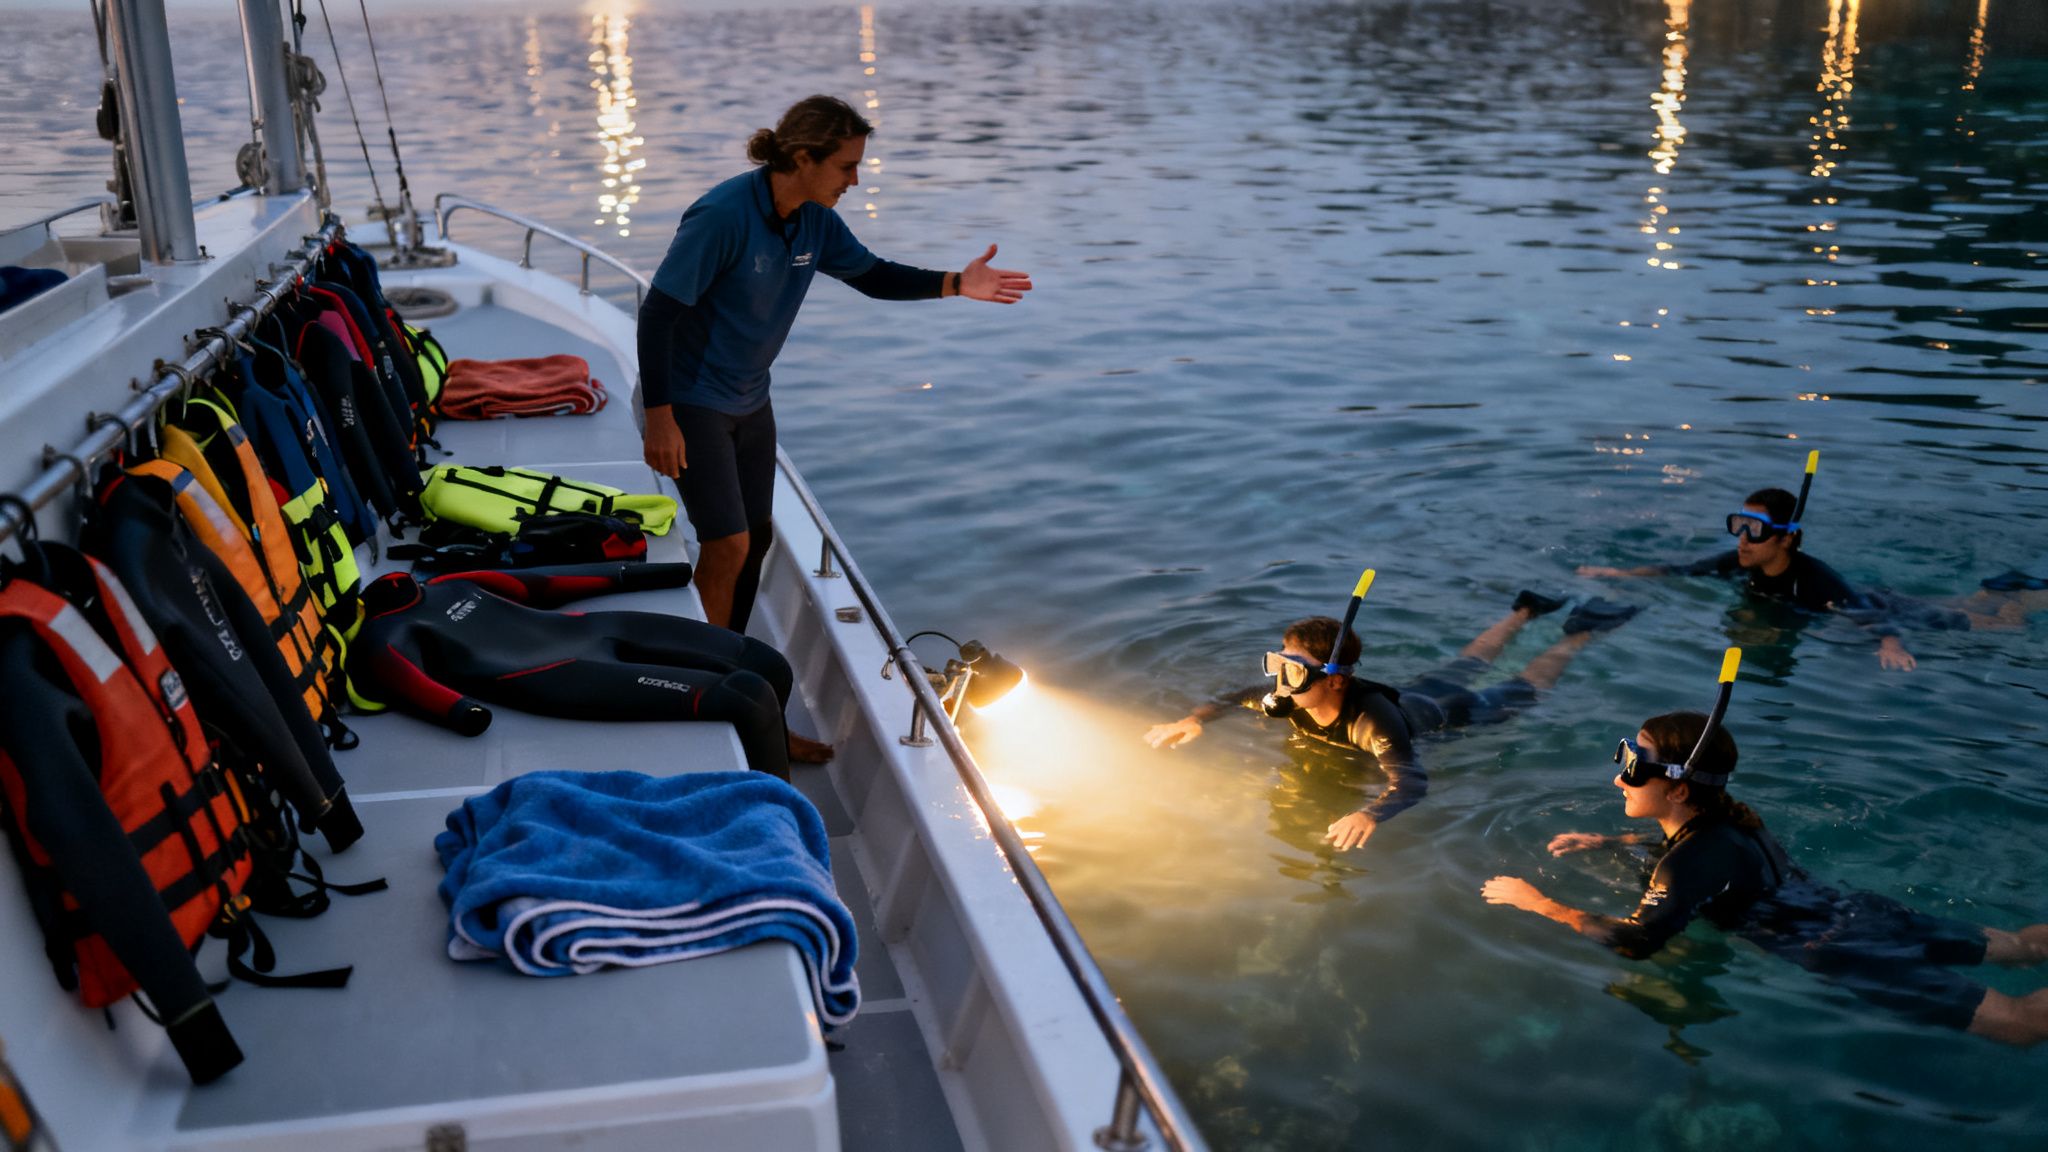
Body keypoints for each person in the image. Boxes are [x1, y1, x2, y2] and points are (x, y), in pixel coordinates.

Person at [638, 95, 1031, 639]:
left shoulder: (816, 222)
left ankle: (731, 668)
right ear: (802, 157)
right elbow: (657, 314)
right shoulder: (722, 216)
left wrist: (956, 284)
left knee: (757, 538)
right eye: (846, 166)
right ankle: (697, 676)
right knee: (727, 543)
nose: (855, 179)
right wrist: (660, 417)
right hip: (690, 399)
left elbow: (872, 275)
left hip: (751, 398)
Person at [1482, 711, 2048, 1046]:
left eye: (1633, 767)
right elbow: (1703, 856)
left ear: (1678, 789)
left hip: (1842, 950)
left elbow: (1635, 942)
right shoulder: (1730, 817)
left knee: (2019, 1024)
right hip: (1861, 913)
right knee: (2022, 946)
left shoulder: (1689, 860)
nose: (1619, 781)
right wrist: (1613, 842)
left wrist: (1540, 903)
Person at [1144, 593, 1638, 850]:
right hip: (1418, 695)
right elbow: (1234, 697)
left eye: (1292, 670)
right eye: (1276, 663)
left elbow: (1410, 782)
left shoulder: (1372, 726)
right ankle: (1526, 609)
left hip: (1452, 714)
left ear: (1335, 680)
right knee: (1469, 660)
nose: (1278, 681)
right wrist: (1194, 721)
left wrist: (1370, 812)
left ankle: (1577, 634)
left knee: (1527, 688)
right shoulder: (1292, 698)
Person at [1578, 486, 2048, 670]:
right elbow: (1677, 570)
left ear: (1785, 538)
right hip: (1868, 598)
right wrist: (1618, 572)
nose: (1742, 540)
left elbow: (1863, 612)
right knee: (1963, 602)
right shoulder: (1741, 560)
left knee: (2002, 627)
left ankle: (2015, 603)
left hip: (1874, 606)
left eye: (1755, 531)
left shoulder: (1815, 579)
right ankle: (1994, 590)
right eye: (1738, 526)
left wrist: (1889, 643)